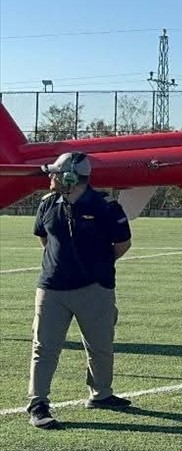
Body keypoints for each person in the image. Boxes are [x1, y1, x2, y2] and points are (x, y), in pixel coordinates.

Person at [26, 152, 133, 430]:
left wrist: (95, 268)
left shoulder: (105, 206)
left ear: (71, 177)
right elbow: (44, 238)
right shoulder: (48, 204)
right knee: (44, 347)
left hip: (95, 288)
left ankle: (101, 394)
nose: (51, 178)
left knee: (100, 347)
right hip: (52, 289)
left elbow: (122, 244)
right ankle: (38, 403)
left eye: (56, 173)